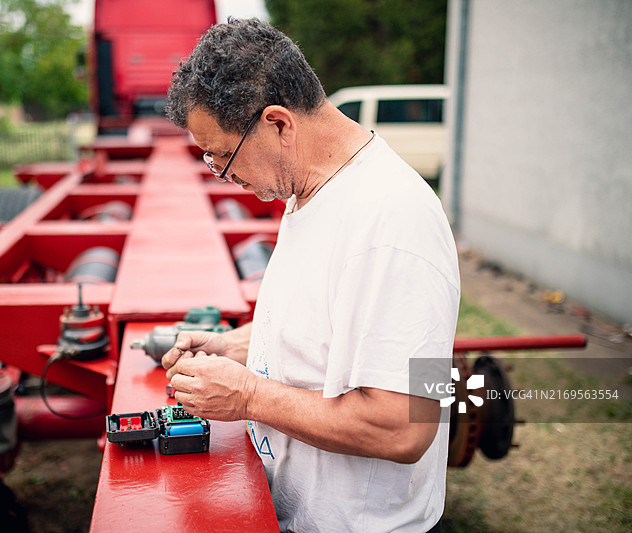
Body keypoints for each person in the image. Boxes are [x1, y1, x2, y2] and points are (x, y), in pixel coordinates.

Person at [162, 18, 459, 533]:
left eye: (222, 155)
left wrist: (248, 396)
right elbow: (332, 327)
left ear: (278, 123)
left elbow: (405, 429)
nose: (225, 175)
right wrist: (232, 348)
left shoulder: (395, 222)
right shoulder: (310, 187)